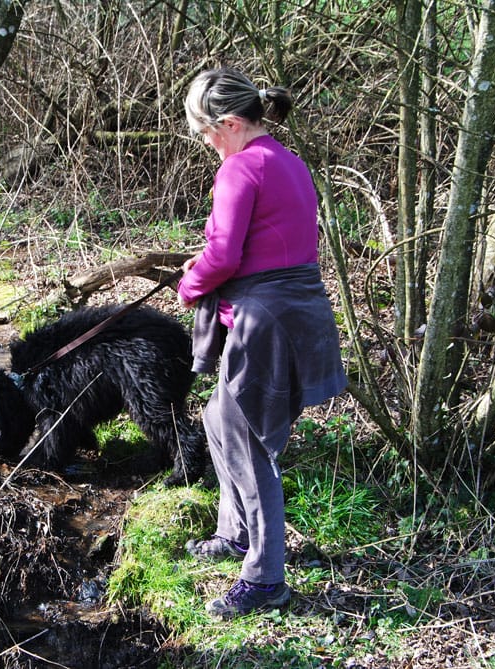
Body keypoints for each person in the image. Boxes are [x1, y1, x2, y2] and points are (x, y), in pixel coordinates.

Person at [176, 67, 347, 619]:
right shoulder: (289, 162)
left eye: (205, 132)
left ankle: (265, 577)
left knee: (249, 446)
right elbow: (270, 246)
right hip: (299, 314)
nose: (205, 143)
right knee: (218, 421)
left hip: (264, 322)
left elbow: (223, 257)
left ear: (228, 123)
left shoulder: (239, 169)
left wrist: (189, 283)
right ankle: (234, 532)